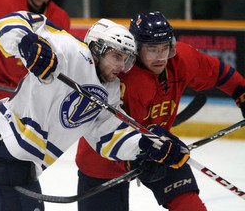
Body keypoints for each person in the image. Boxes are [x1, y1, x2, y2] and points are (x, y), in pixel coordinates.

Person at [0, 11, 190, 211]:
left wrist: (146, 146)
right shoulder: (67, 49)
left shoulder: (110, 91)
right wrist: (26, 43)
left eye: (126, 59)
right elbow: (11, 21)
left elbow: (108, 136)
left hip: (18, 166)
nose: (121, 66)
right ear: (97, 49)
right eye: (116, 56)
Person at [75, 11, 245, 211]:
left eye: (165, 48)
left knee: (190, 206)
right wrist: (137, 160)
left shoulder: (183, 59)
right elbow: (107, 132)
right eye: (153, 49)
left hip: (163, 148)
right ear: (136, 49)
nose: (161, 56)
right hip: (103, 159)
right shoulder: (122, 78)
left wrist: (242, 94)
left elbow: (219, 73)